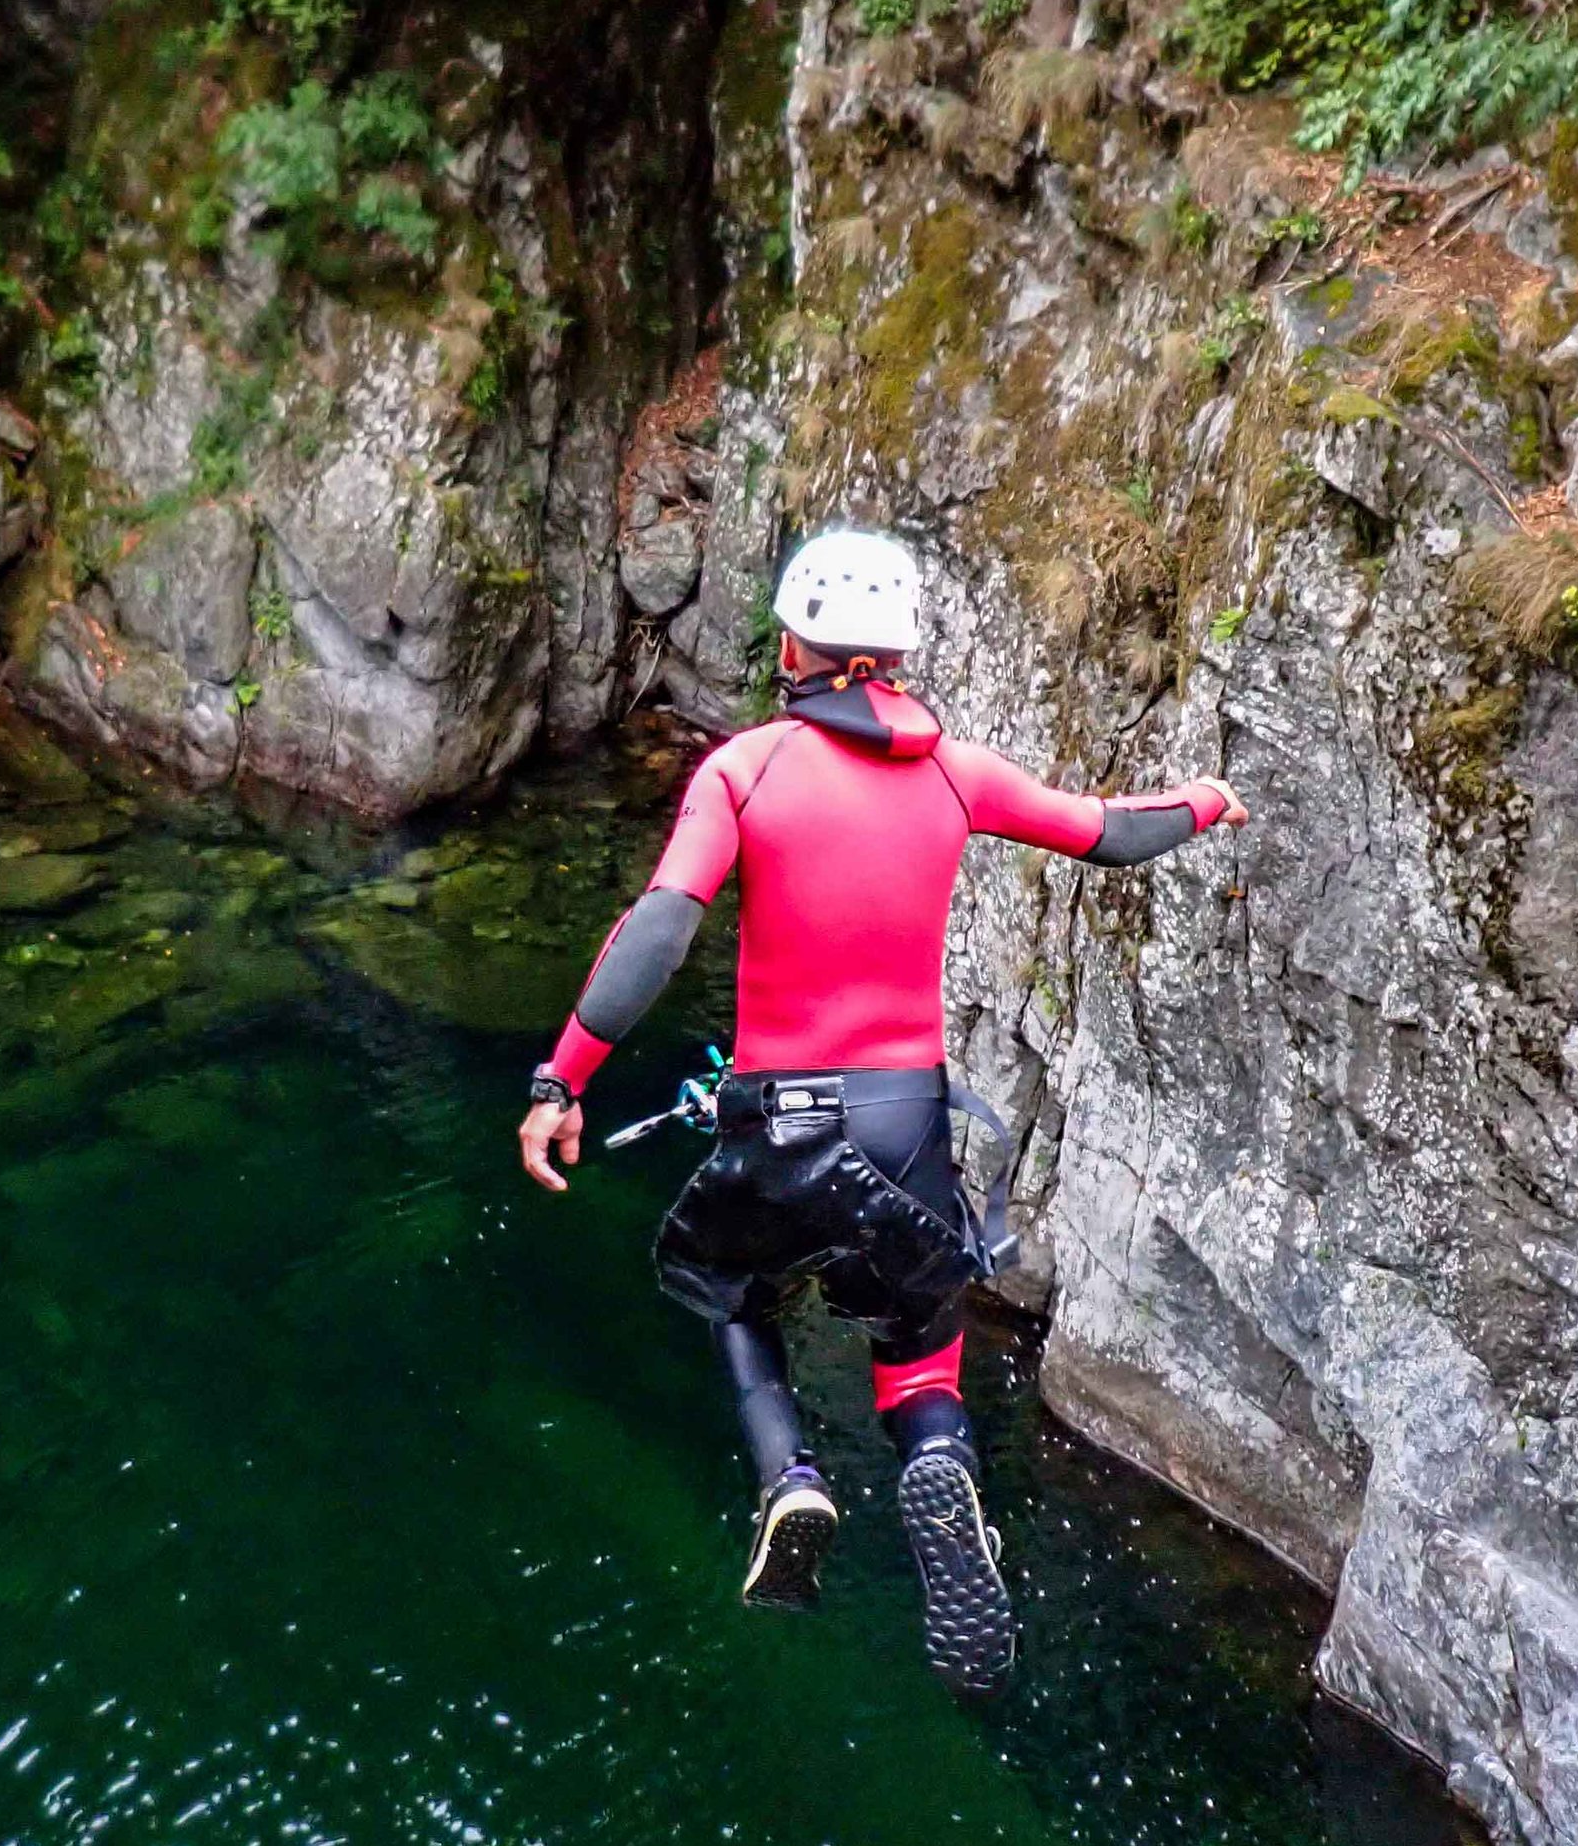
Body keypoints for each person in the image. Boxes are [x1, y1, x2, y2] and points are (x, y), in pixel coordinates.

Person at [518, 528, 1248, 1692]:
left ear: (795, 644)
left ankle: (791, 1477)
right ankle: (942, 1466)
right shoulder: (957, 774)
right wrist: (1206, 800)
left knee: (734, 1292)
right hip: (907, 1123)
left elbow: (660, 929)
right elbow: (1111, 833)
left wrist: (563, 1078)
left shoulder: (745, 769)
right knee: (918, 1350)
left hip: (778, 1119)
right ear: (900, 651)